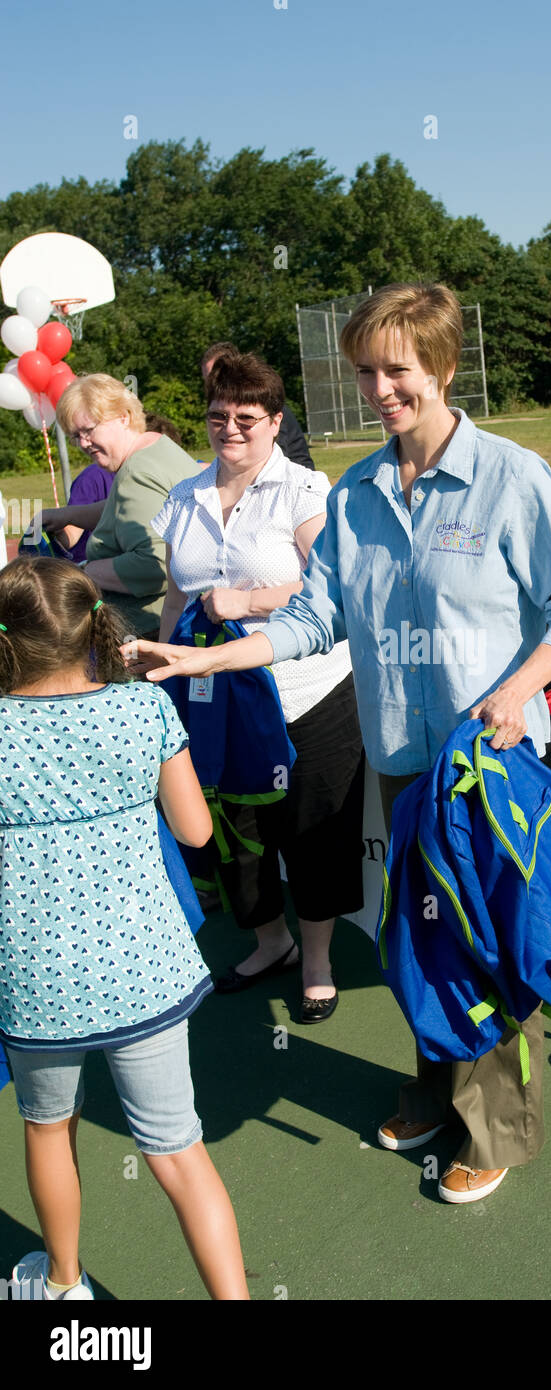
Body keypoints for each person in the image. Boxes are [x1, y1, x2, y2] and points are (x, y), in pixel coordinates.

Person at [124, 282, 551, 1204]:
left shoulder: (511, 476)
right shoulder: (357, 495)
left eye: (399, 369)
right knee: (422, 936)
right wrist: (206, 658)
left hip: (488, 764)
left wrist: (516, 687)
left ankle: (495, 1127)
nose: (382, 388)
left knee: (487, 946)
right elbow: (314, 616)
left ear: (444, 367)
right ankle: (435, 1089)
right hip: (398, 758)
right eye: (366, 372)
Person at [0, 556, 248, 1299]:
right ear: (90, 625)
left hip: (35, 976)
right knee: (179, 1152)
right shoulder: (141, 708)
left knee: (48, 1128)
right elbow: (198, 832)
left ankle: (63, 1283)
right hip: (143, 969)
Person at [152, 352, 364, 1021]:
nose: (231, 429)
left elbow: (333, 586)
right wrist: (163, 666)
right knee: (233, 830)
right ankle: (271, 941)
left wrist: (249, 599)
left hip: (308, 691)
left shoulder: (304, 492)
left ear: (275, 421)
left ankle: (319, 959)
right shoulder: (185, 494)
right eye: (218, 417)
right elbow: (178, 591)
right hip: (213, 699)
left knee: (313, 830)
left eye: (248, 418)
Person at [38, 375, 200, 638]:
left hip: (149, 631)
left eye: (88, 430)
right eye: (75, 436)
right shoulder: (157, 448)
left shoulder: (136, 474)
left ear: (124, 416)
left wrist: (85, 572)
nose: (83, 443)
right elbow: (126, 509)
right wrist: (67, 515)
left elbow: (154, 565)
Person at [201, 342, 315, 471]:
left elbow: (268, 458)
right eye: (218, 416)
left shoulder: (267, 405)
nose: (230, 429)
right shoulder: (187, 489)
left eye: (245, 417)